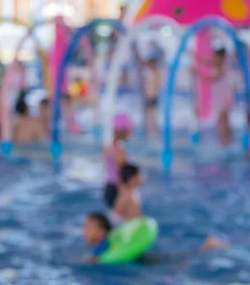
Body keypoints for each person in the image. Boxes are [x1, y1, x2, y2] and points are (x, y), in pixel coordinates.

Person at [83, 213, 228, 264]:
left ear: (102, 232)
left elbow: (94, 260)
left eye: (88, 227)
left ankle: (205, 248)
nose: (84, 231)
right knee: (167, 260)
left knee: (170, 262)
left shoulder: (101, 247)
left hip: (133, 260)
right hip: (132, 255)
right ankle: (204, 248)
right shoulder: (107, 243)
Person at [195, 47, 234, 145]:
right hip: (221, 97)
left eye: (215, 56)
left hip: (223, 98)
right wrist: (197, 58)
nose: (213, 58)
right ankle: (227, 140)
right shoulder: (218, 65)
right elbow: (207, 62)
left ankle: (224, 141)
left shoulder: (223, 68)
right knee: (224, 120)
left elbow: (211, 79)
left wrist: (198, 73)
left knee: (221, 120)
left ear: (220, 57)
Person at [103, 113, 131, 209]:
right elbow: (121, 175)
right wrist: (126, 194)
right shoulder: (119, 150)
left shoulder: (108, 147)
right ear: (122, 131)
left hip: (108, 186)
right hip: (117, 188)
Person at [141, 55, 162, 137]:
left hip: (152, 96)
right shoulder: (150, 73)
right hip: (149, 96)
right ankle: (150, 131)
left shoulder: (156, 73)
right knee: (149, 116)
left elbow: (157, 85)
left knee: (152, 116)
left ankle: (154, 131)